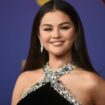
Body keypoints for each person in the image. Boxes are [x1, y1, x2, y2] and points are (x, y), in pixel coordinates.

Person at [11, 0, 105, 105]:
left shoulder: (92, 83)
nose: (56, 35)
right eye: (48, 29)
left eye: (64, 27)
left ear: (76, 32)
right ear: (39, 35)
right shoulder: (24, 79)